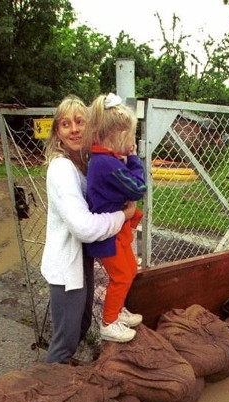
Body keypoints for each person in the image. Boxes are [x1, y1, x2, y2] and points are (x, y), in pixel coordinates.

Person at [40, 95, 136, 364]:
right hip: (67, 267)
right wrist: (123, 215)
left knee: (79, 329)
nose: (74, 129)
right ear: (57, 132)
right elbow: (83, 226)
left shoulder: (83, 165)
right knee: (64, 342)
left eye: (80, 122)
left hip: (80, 261)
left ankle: (65, 375)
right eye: (65, 124)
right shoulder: (61, 169)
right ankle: (51, 393)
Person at [83, 93, 147, 343]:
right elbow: (138, 188)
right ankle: (109, 322)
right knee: (121, 276)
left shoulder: (105, 159)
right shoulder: (106, 164)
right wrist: (133, 159)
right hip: (109, 236)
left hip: (117, 230)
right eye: (131, 137)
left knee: (130, 269)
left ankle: (117, 311)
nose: (132, 142)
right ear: (119, 136)